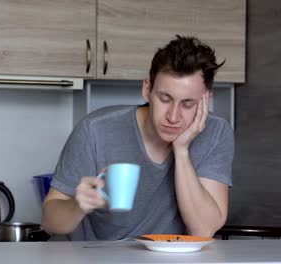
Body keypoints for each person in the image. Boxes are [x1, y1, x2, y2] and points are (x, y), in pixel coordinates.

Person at [41, 35, 234, 241]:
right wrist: (77, 206)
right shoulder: (96, 130)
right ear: (146, 90)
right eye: (165, 98)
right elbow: (49, 222)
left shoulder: (216, 132)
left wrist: (181, 151)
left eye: (188, 104)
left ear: (206, 100)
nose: (173, 116)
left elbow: (203, 229)